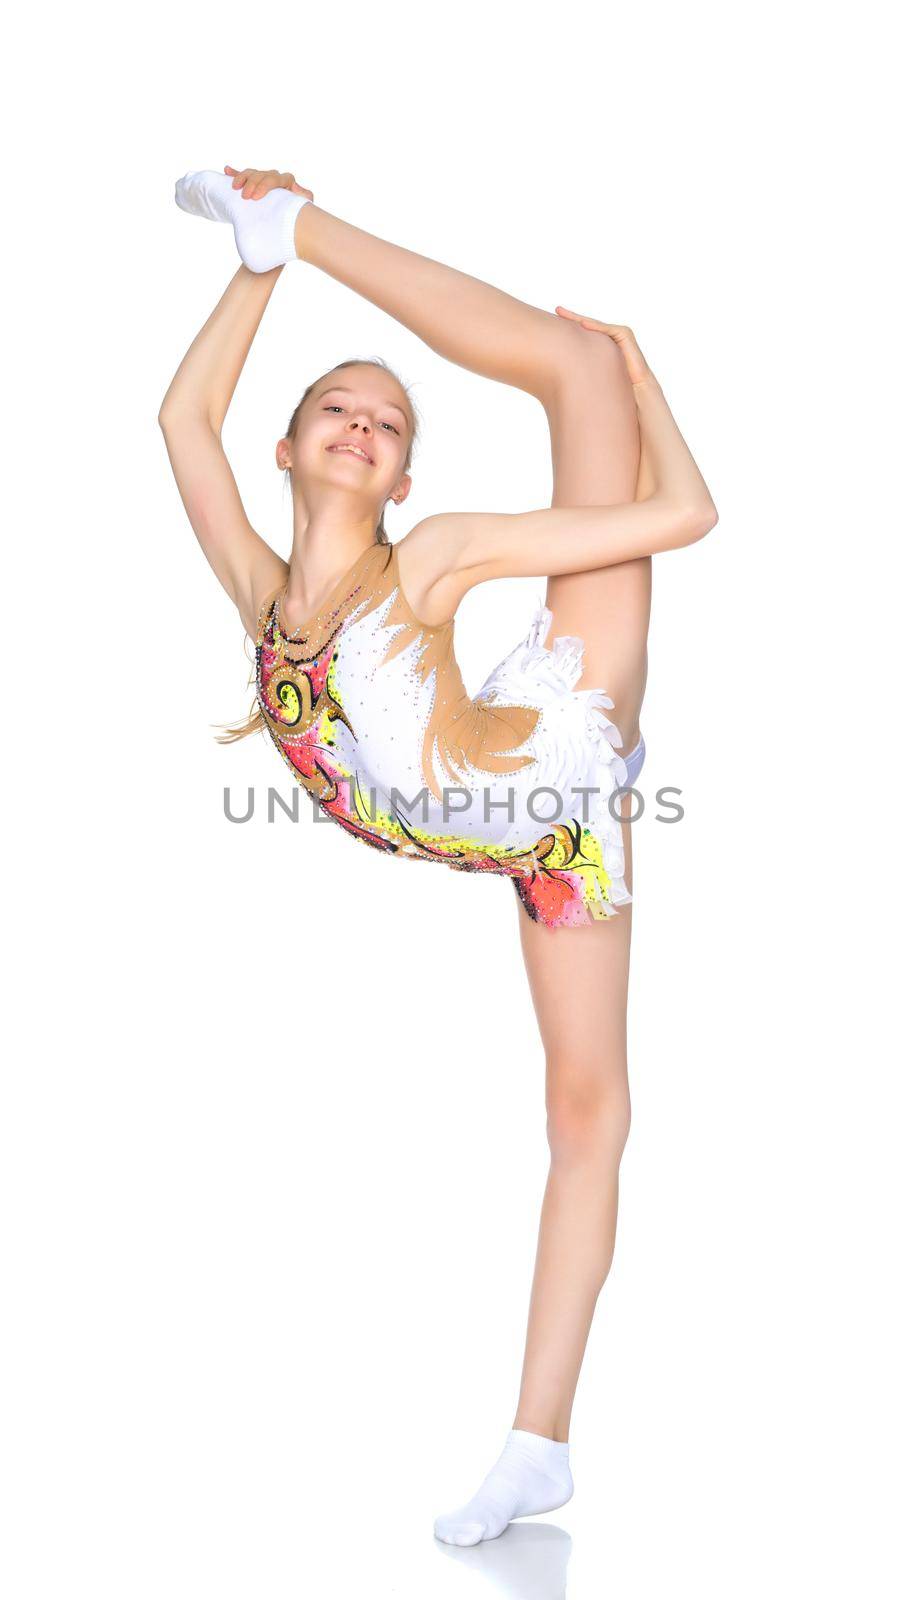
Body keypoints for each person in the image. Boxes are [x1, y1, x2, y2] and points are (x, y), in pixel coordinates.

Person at [159, 166, 718, 1545]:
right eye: (335, 410)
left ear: (406, 477)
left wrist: (645, 390)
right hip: (530, 848)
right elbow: (182, 419)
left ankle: (307, 216)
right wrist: (251, 273)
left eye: (387, 420)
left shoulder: (435, 558)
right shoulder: (262, 602)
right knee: (584, 1117)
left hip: (565, 749)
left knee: (585, 362)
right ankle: (540, 1448)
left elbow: (691, 515)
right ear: (286, 451)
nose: (360, 423)